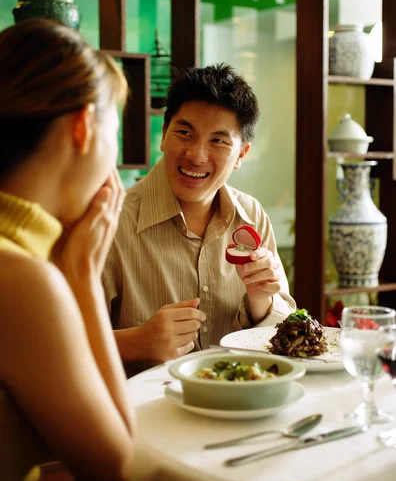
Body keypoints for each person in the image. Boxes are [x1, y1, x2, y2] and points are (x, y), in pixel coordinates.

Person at [0, 18, 135, 481]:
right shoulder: (22, 279)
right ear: (83, 127)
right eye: (114, 134)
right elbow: (120, 469)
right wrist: (82, 275)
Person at [103, 64, 296, 376]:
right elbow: (59, 346)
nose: (197, 155)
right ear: (163, 135)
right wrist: (137, 342)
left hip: (238, 406)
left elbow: (286, 334)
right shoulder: (111, 221)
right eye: (184, 133)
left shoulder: (252, 215)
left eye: (218, 141)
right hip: (145, 415)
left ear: (242, 155)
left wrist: (260, 301)